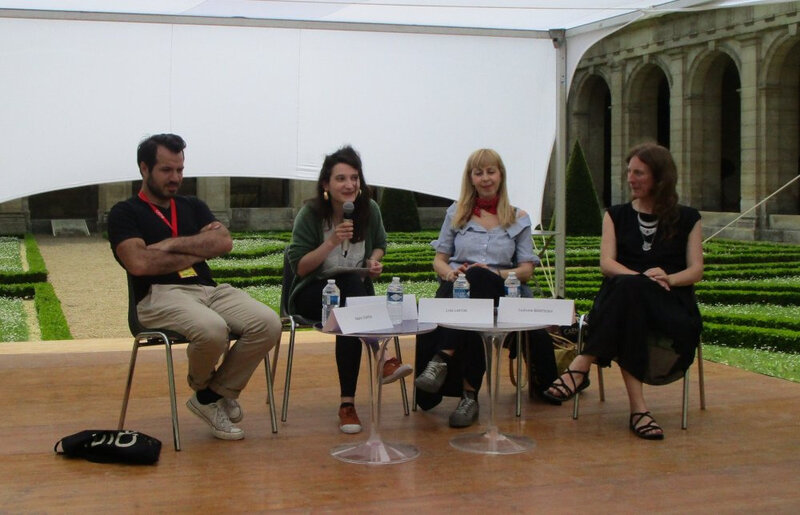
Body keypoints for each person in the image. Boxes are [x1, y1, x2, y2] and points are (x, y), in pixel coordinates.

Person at [108, 133, 282, 441]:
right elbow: (139, 264)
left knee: (268, 323)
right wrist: (200, 248)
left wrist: (169, 245)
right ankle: (210, 393)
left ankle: (209, 395)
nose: (175, 178)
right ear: (144, 168)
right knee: (213, 330)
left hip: (208, 290)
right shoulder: (125, 212)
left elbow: (223, 242)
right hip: (158, 295)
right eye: (166, 170)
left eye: (180, 169)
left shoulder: (192, 205)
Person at [543, 142, 703, 440]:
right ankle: (638, 410)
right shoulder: (615, 215)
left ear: (659, 177)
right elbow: (607, 264)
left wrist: (667, 277)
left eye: (639, 173)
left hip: (670, 303)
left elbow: (696, 270)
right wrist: (641, 279)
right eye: (629, 171)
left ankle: (582, 364)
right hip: (627, 303)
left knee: (626, 294)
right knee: (630, 298)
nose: (630, 178)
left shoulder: (689, 218)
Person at [414, 148, 559, 428]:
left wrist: (494, 273)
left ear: (501, 175)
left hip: (503, 290)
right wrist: (450, 273)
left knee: (481, 284)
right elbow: (439, 260)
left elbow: (527, 270)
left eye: (490, 171)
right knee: (475, 310)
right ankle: (469, 397)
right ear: (470, 178)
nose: (485, 178)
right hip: (458, 287)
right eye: (478, 172)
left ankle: (441, 359)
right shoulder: (456, 214)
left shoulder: (519, 217)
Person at [286, 145, 412, 434]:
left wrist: (373, 261)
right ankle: (382, 356)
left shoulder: (369, 209)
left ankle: (347, 405)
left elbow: (380, 244)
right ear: (326, 184)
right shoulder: (311, 214)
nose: (350, 184)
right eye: (341, 178)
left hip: (352, 295)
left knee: (349, 311)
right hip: (312, 293)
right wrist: (330, 241)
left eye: (354, 178)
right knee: (350, 302)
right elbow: (301, 268)